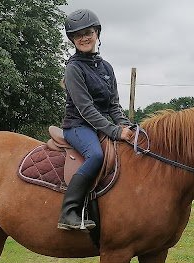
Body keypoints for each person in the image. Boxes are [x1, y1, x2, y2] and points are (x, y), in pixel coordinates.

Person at [58, 8, 133, 231]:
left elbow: (113, 106)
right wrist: (114, 131)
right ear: (72, 40)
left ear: (97, 33)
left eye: (88, 32)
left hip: (100, 127)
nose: (84, 38)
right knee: (95, 156)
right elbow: (85, 109)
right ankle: (69, 211)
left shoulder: (106, 67)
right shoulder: (73, 68)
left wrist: (126, 125)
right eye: (77, 35)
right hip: (78, 126)